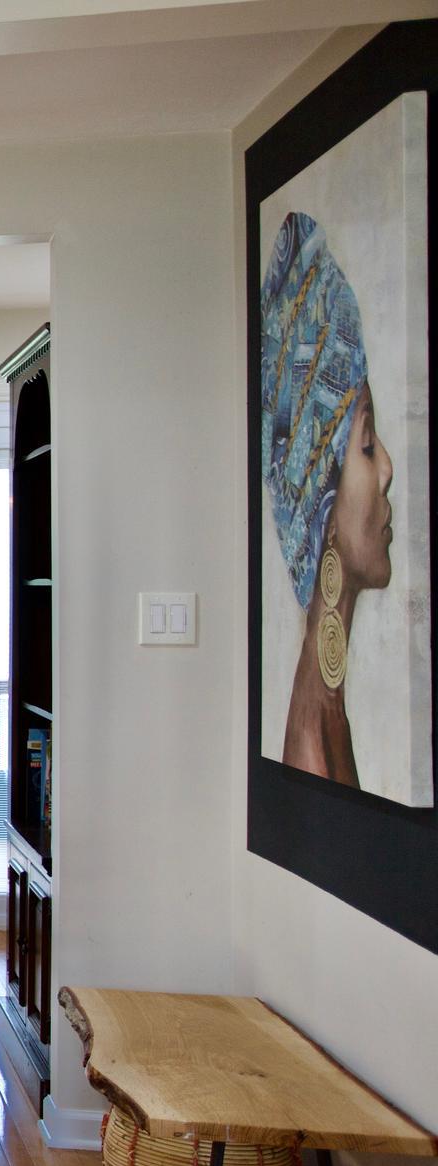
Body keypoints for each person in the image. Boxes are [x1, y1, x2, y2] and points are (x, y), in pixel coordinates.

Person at [261, 211, 397, 788]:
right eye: (366, 444)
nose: (387, 469)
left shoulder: (326, 719)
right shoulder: (315, 741)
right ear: (323, 507)